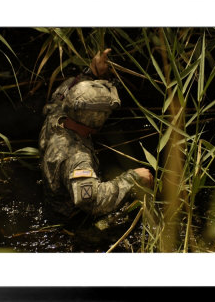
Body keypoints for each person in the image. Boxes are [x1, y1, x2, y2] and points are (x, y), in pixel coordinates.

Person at [39, 49, 153, 218]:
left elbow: (65, 91)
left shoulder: (55, 116)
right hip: (70, 218)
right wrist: (131, 179)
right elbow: (92, 202)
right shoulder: (77, 158)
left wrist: (92, 72)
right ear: (95, 120)